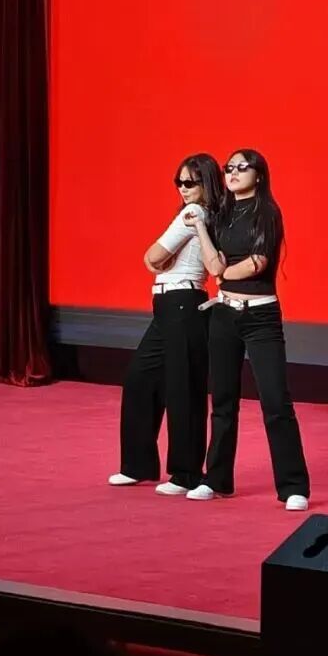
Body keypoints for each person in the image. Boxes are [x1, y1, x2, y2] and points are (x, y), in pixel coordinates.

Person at [183, 149, 311, 511]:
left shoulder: (267, 212)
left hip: (260, 317)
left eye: (242, 167)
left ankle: (293, 486)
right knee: (223, 401)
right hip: (224, 315)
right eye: (229, 168)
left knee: (275, 401)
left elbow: (256, 264)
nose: (233, 172)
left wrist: (224, 271)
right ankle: (216, 479)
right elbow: (213, 265)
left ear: (259, 174)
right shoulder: (222, 213)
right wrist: (201, 230)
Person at [108, 153, 223, 495]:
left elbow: (153, 256)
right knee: (141, 379)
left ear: (206, 184)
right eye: (179, 182)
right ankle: (138, 465)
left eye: (190, 182)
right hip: (169, 306)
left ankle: (186, 474)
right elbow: (154, 259)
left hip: (183, 302)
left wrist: (160, 260)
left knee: (183, 388)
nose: (183, 189)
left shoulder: (194, 213)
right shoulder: (196, 212)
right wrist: (158, 260)